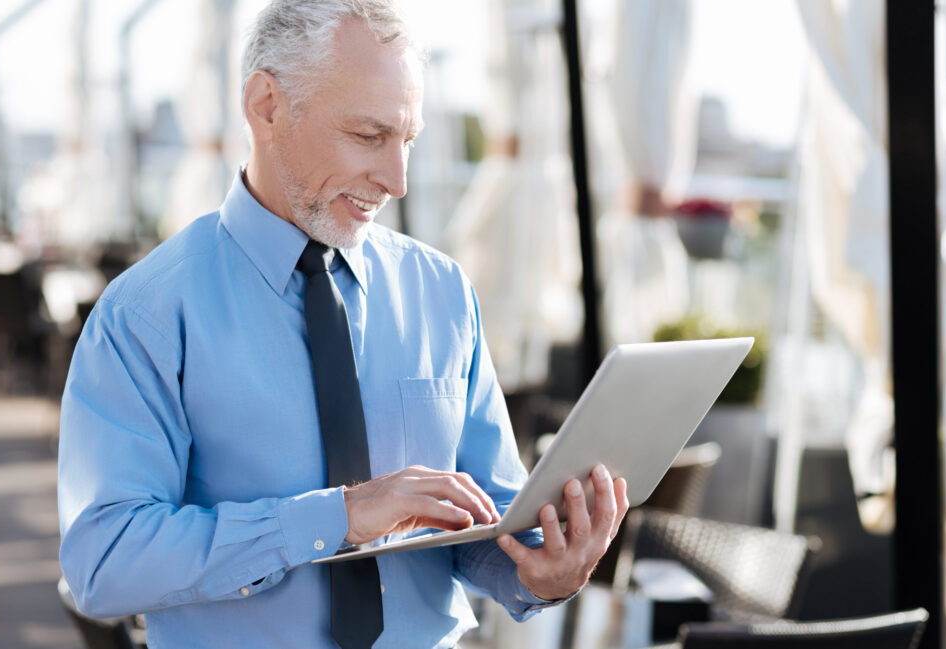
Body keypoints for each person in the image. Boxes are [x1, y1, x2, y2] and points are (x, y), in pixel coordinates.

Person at [57, 2, 629, 648]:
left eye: (407, 140)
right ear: (267, 106)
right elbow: (102, 562)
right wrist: (340, 516)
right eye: (368, 136)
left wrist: (545, 571)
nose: (397, 180)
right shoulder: (147, 314)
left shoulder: (440, 291)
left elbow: (483, 527)